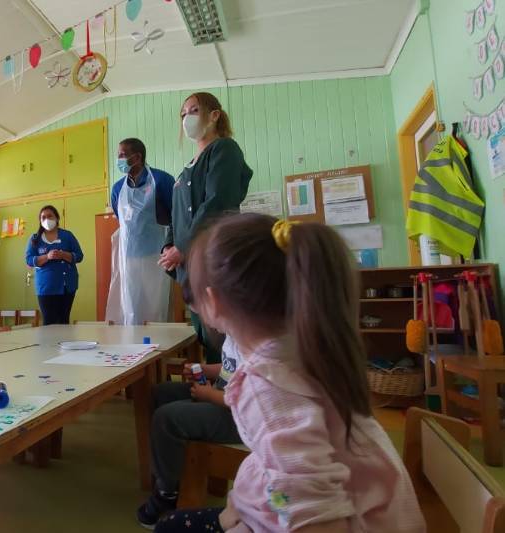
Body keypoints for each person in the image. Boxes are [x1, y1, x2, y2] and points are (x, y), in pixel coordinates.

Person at [155, 214, 424, 533]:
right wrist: (236, 507)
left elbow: (317, 520)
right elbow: (284, 466)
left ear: (212, 302)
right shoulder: (305, 349)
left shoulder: (266, 387)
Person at [158, 92, 253, 362]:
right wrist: (169, 246)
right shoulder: (185, 171)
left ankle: (227, 398)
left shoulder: (225, 150)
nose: (187, 117)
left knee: (222, 338)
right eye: (183, 113)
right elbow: (175, 217)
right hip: (191, 269)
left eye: (194, 110)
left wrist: (184, 248)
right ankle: (215, 395)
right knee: (206, 337)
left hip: (214, 262)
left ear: (214, 115)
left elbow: (217, 204)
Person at [136, 336, 243, 528]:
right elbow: (231, 366)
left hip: (237, 419)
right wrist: (207, 370)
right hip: (220, 395)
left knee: (166, 418)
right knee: (159, 394)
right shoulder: (237, 330)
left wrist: (210, 395)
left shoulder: (257, 338)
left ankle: (166, 494)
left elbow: (249, 399)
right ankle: (172, 477)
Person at [110, 138, 175, 326]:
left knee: (157, 307)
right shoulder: (117, 189)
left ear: (137, 157)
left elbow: (175, 217)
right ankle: (134, 349)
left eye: (122, 155)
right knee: (130, 306)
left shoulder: (162, 180)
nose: (119, 159)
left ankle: (158, 350)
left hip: (156, 255)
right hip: (129, 257)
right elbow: (121, 220)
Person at [24, 205, 83, 326]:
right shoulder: (35, 239)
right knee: (49, 322)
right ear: (40, 221)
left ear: (57, 218)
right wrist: (47, 257)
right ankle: (48, 345)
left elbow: (80, 256)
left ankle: (65, 345)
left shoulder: (67, 236)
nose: (46, 219)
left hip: (67, 286)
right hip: (46, 288)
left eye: (50, 216)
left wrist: (63, 255)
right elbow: (29, 260)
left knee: (63, 320)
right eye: (43, 217)